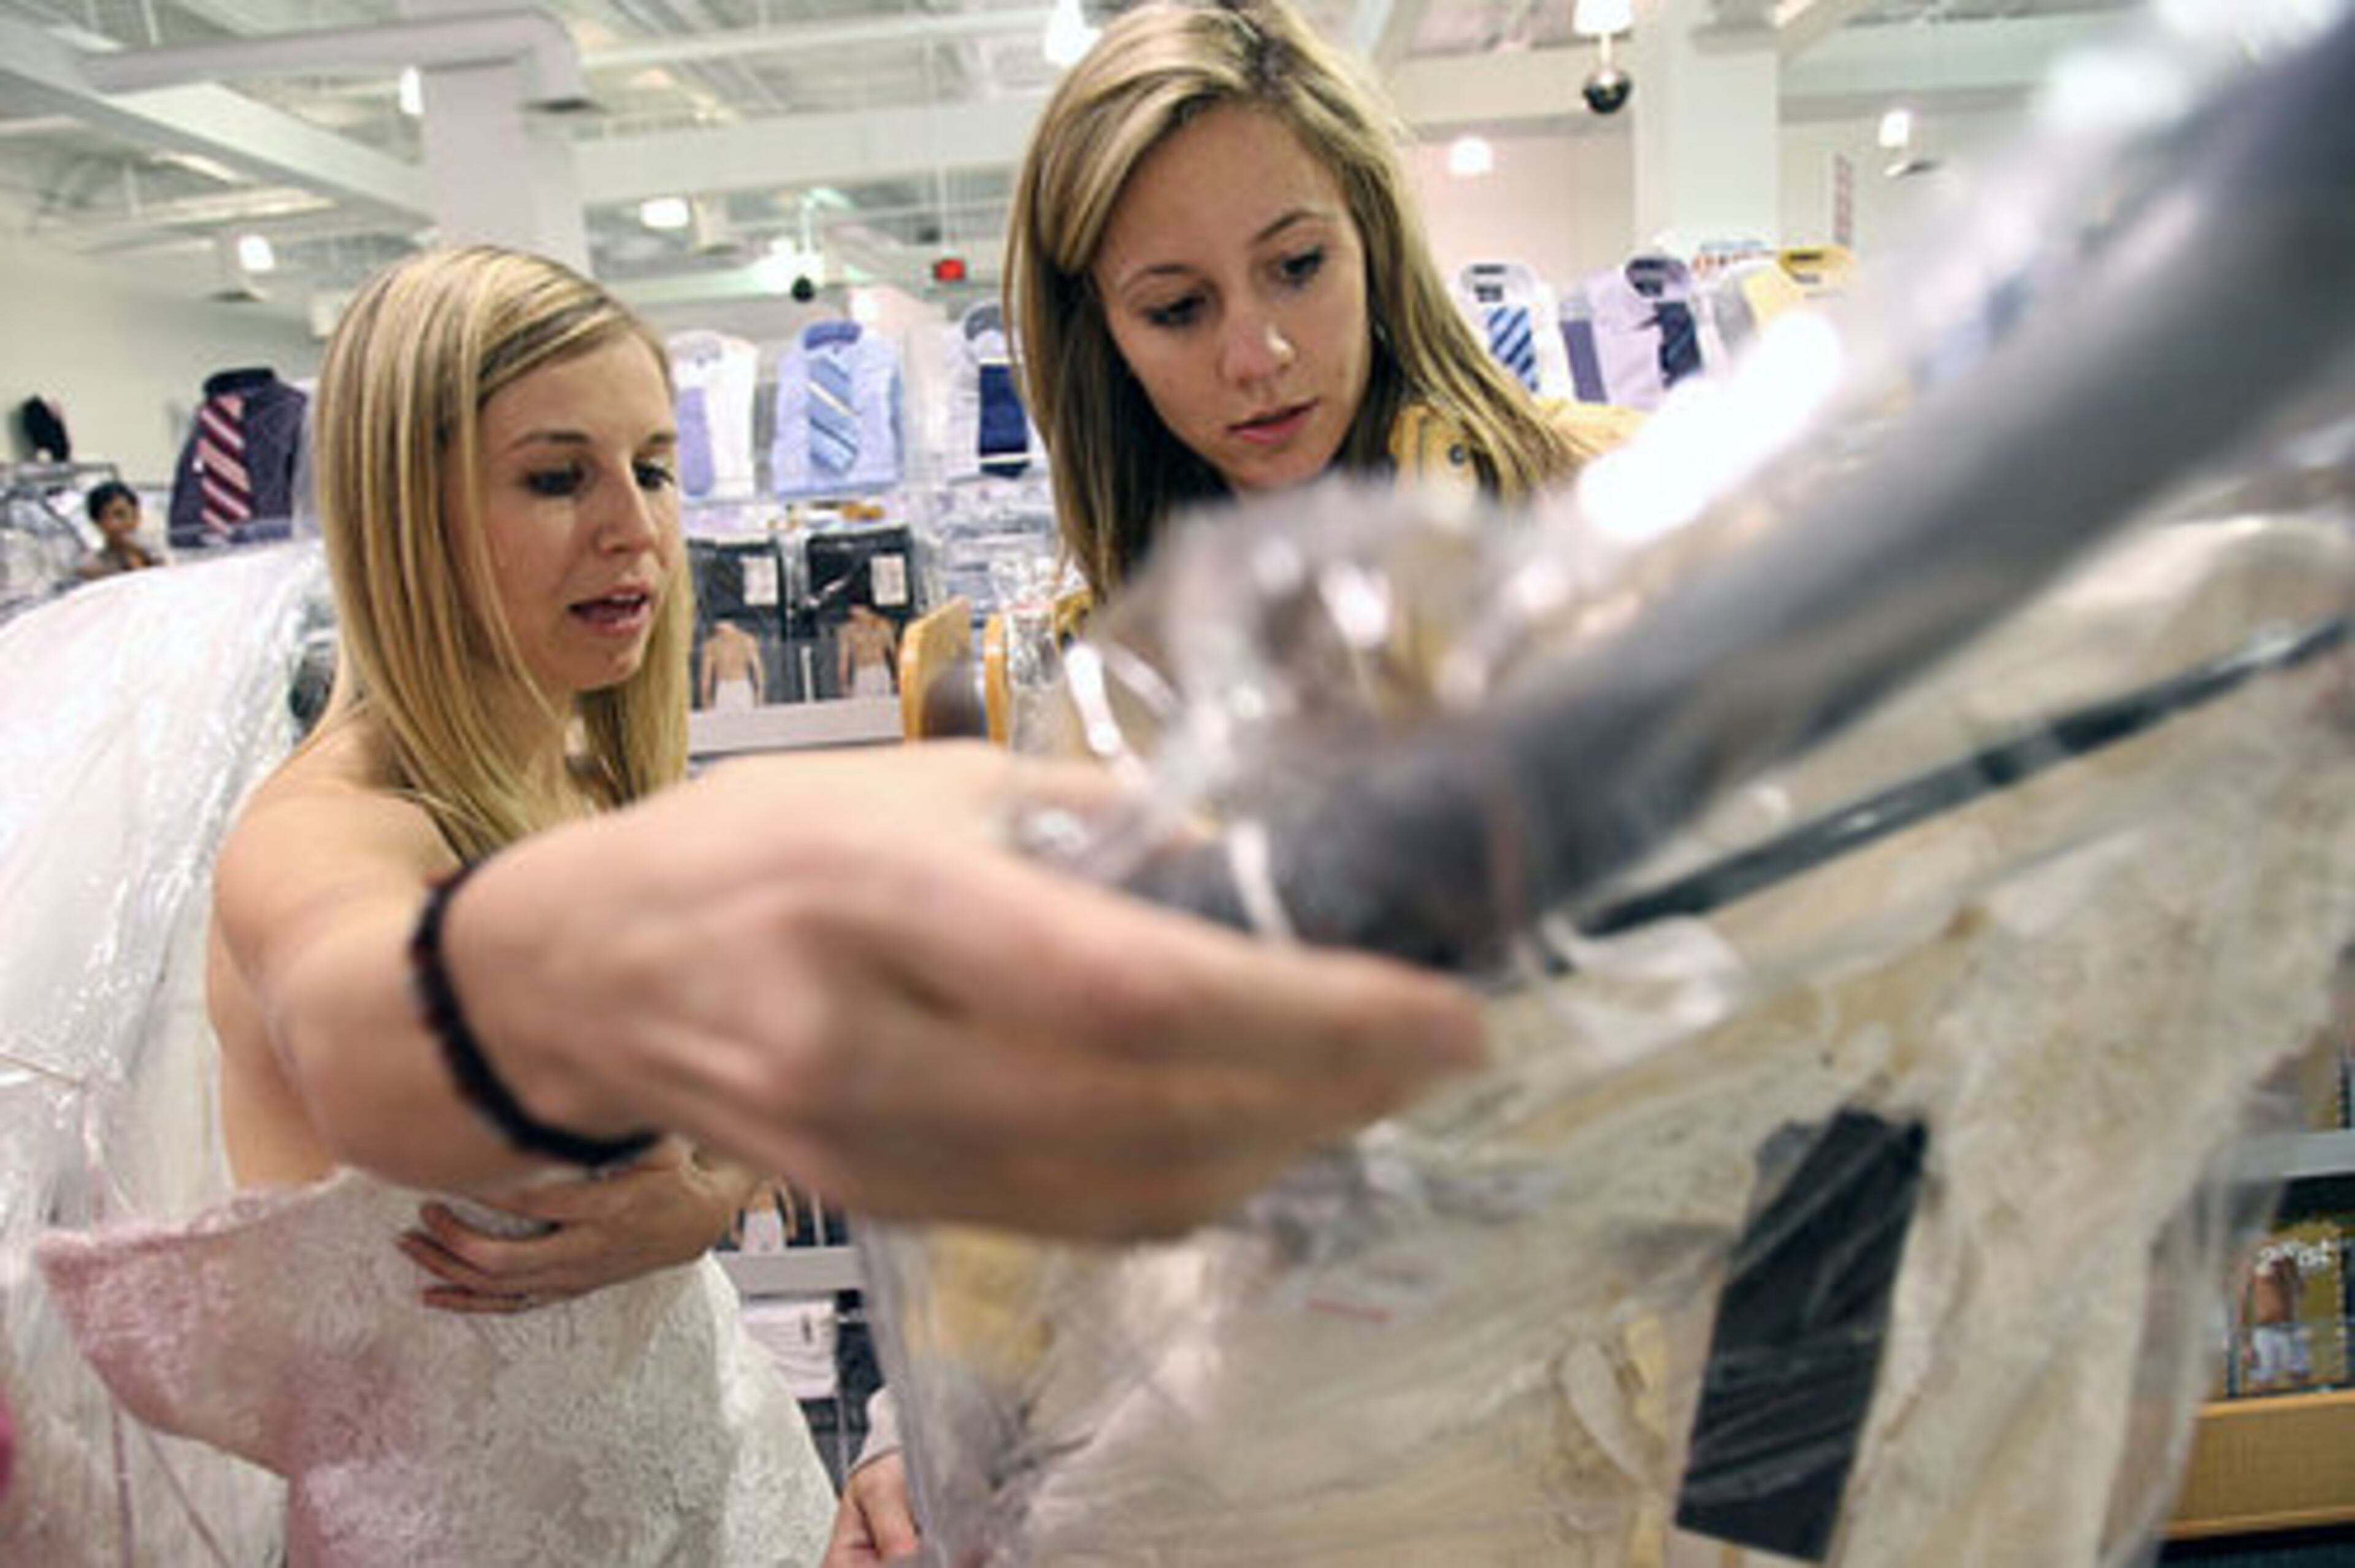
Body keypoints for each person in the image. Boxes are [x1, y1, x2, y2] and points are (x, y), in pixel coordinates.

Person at [36, 244, 1482, 1564]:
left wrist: (712, 1187)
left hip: (717, 1480)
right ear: (404, 511)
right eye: (558, 478)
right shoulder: (325, 839)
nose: (636, 533)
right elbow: (374, 1019)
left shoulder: (589, 783)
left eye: (654, 470)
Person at [1006, 0, 1639, 603]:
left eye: (1298, 265)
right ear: (1099, 332)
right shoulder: (1118, 649)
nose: (1258, 357)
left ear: (1372, 237)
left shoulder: (1606, 500)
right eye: (1177, 308)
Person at [75, 479, 159, 578]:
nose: (113, 525)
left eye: (120, 515)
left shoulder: (159, 558)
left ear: (136, 515)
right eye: (105, 518)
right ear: (97, 523)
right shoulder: (92, 568)